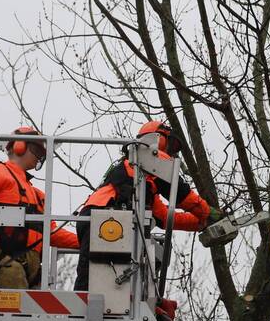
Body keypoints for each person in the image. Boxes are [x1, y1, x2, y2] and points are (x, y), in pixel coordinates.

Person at [74, 120, 216, 292]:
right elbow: (181, 194)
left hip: (107, 221)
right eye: (170, 147)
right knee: (88, 283)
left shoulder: (142, 182)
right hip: (101, 218)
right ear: (158, 139)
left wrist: (199, 223)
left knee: (107, 285)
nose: (171, 155)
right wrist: (208, 213)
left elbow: (164, 217)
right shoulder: (145, 159)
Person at [0, 126, 80, 289]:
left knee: (37, 311)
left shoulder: (37, 195)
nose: (40, 156)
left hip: (31, 268)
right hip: (3, 259)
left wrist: (85, 241)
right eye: (36, 149)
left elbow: (51, 233)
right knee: (15, 305)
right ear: (19, 146)